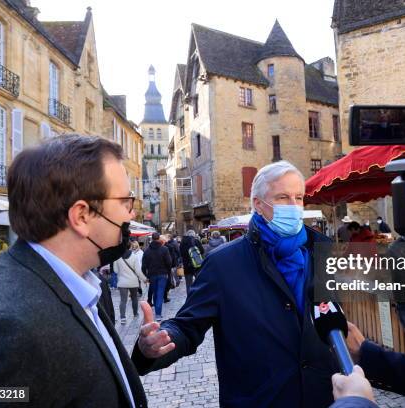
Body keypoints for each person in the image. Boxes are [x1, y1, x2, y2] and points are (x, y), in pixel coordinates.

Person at [0, 135, 175, 407]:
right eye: (125, 202)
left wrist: (141, 353)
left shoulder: (87, 284)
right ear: (81, 216)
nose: (129, 215)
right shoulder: (3, 328)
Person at [132, 160, 341, 407]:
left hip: (324, 398)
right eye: (283, 197)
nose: (294, 207)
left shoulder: (324, 251)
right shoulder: (223, 263)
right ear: (258, 205)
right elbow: (188, 326)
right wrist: (158, 343)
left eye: (299, 197)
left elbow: (340, 320)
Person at [113, 242, 148, 324]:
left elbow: (115, 270)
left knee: (123, 300)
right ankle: (135, 313)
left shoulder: (117, 257)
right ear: (130, 247)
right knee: (134, 298)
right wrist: (144, 279)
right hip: (133, 281)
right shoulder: (134, 257)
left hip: (122, 282)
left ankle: (123, 318)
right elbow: (138, 271)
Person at [142, 232, 172, 320]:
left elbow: (143, 266)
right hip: (162, 274)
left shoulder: (147, 250)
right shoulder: (164, 249)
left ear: (152, 238)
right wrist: (167, 271)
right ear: (159, 238)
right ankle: (158, 314)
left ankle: (157, 311)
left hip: (152, 275)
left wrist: (146, 275)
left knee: (155, 293)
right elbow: (169, 262)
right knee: (160, 293)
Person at [179, 229, 204, 295]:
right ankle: (199, 296)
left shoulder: (182, 242)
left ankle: (189, 298)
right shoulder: (196, 241)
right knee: (199, 282)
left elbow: (181, 254)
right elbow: (202, 251)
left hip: (187, 265)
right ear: (194, 235)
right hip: (197, 264)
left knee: (188, 284)